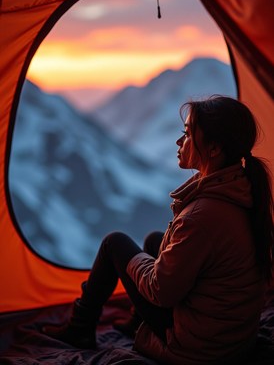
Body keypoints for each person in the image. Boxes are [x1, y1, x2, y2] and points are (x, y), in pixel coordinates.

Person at [43, 95, 273, 365]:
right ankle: (135, 323)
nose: (179, 142)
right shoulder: (242, 191)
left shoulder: (203, 215)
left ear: (213, 149)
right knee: (154, 241)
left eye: (187, 134)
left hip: (200, 348)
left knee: (114, 243)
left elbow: (161, 292)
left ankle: (79, 328)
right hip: (231, 336)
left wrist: (130, 263)